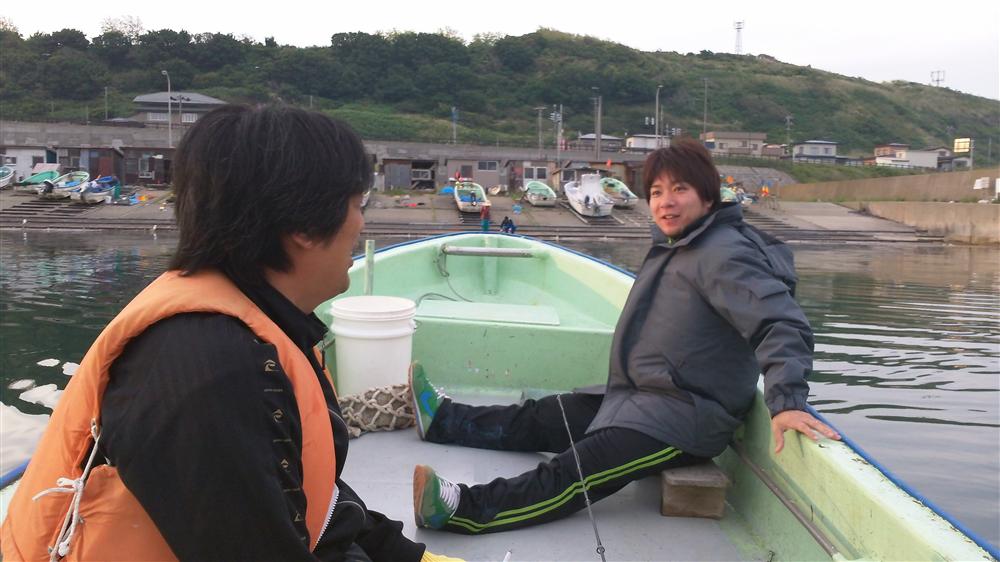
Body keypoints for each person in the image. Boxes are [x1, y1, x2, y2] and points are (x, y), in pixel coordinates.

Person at [1, 105, 460, 562]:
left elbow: (314, 504)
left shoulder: (259, 319)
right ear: (303, 225)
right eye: (358, 205)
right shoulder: (209, 367)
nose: (362, 224)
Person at [407, 138, 840, 536]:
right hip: (640, 396)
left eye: (680, 189)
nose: (666, 202)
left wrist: (786, 402)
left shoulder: (725, 253)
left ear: (708, 197)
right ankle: (446, 419)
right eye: (657, 191)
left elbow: (781, 322)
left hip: (684, 419)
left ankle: (465, 508)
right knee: (543, 416)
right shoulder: (682, 244)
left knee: (577, 469)